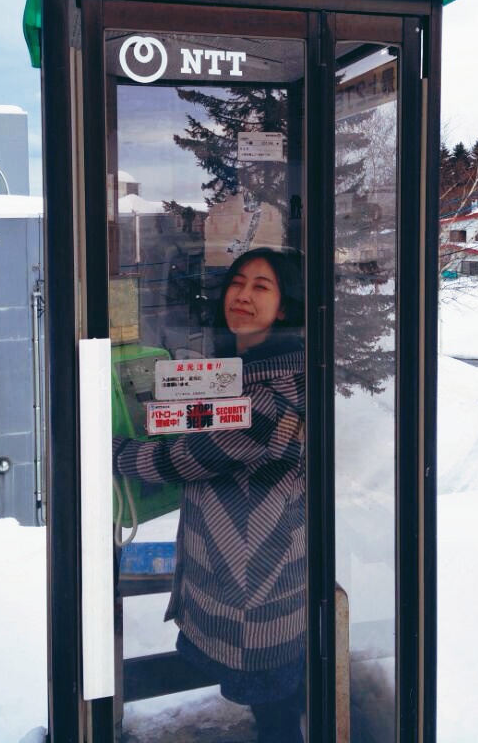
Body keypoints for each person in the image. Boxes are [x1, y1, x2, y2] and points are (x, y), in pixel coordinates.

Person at [113, 247, 306, 742]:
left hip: (255, 591)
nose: (241, 296)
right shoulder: (250, 371)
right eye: (237, 283)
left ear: (284, 307)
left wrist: (111, 449)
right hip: (255, 574)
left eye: (261, 287)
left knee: (276, 715)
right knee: (280, 702)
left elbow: (176, 461)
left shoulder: (269, 397)